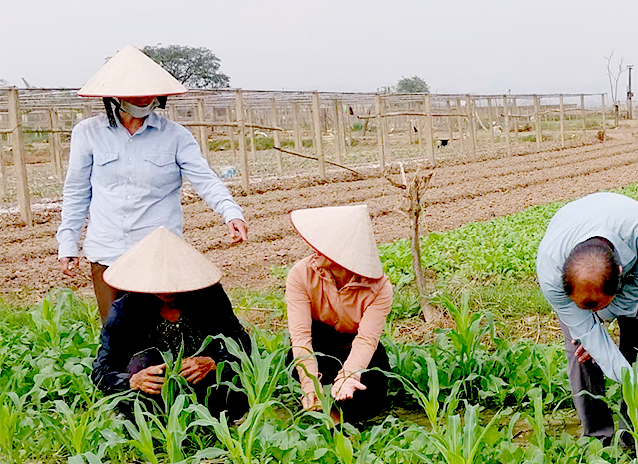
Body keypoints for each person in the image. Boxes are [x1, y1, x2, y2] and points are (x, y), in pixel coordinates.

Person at [56, 45, 248, 322]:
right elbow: (76, 191)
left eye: (150, 92)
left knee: (162, 331)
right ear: (114, 95)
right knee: (115, 335)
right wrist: (67, 242)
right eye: (135, 92)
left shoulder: (176, 136)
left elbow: (205, 179)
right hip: (107, 250)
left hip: (159, 253)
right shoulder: (88, 134)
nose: (144, 98)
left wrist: (231, 213)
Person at [536, 192, 638, 446]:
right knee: (581, 352)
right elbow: (585, 328)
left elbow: (637, 290)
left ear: (618, 274)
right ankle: (597, 437)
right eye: (584, 307)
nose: (592, 313)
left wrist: (597, 333)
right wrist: (589, 336)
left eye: (597, 307)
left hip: (634, 267)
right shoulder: (551, 274)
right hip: (575, 247)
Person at [91, 227, 251, 421]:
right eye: (158, 287)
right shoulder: (125, 311)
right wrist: (133, 381)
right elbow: (101, 370)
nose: (166, 293)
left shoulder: (209, 297)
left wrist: (213, 363)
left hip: (210, 393)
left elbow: (241, 343)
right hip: (152, 402)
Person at [285, 205, 393, 425]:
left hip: (358, 352)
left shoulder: (380, 288)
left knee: (366, 395)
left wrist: (349, 376)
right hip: (319, 349)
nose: (315, 249)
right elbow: (301, 337)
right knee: (300, 374)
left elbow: (366, 341)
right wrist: (310, 386)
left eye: (326, 246)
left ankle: (338, 416)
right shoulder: (300, 275)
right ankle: (325, 412)